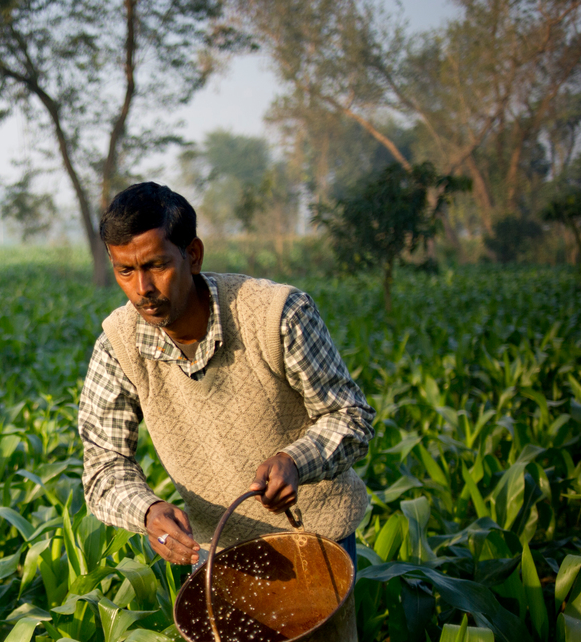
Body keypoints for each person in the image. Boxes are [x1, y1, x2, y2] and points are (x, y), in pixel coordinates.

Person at [79, 182, 374, 568]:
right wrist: (147, 511)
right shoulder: (118, 345)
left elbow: (350, 416)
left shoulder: (278, 314)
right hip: (217, 553)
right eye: (126, 271)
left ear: (194, 255)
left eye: (157, 266)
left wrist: (296, 461)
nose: (142, 289)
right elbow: (103, 463)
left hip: (317, 543)